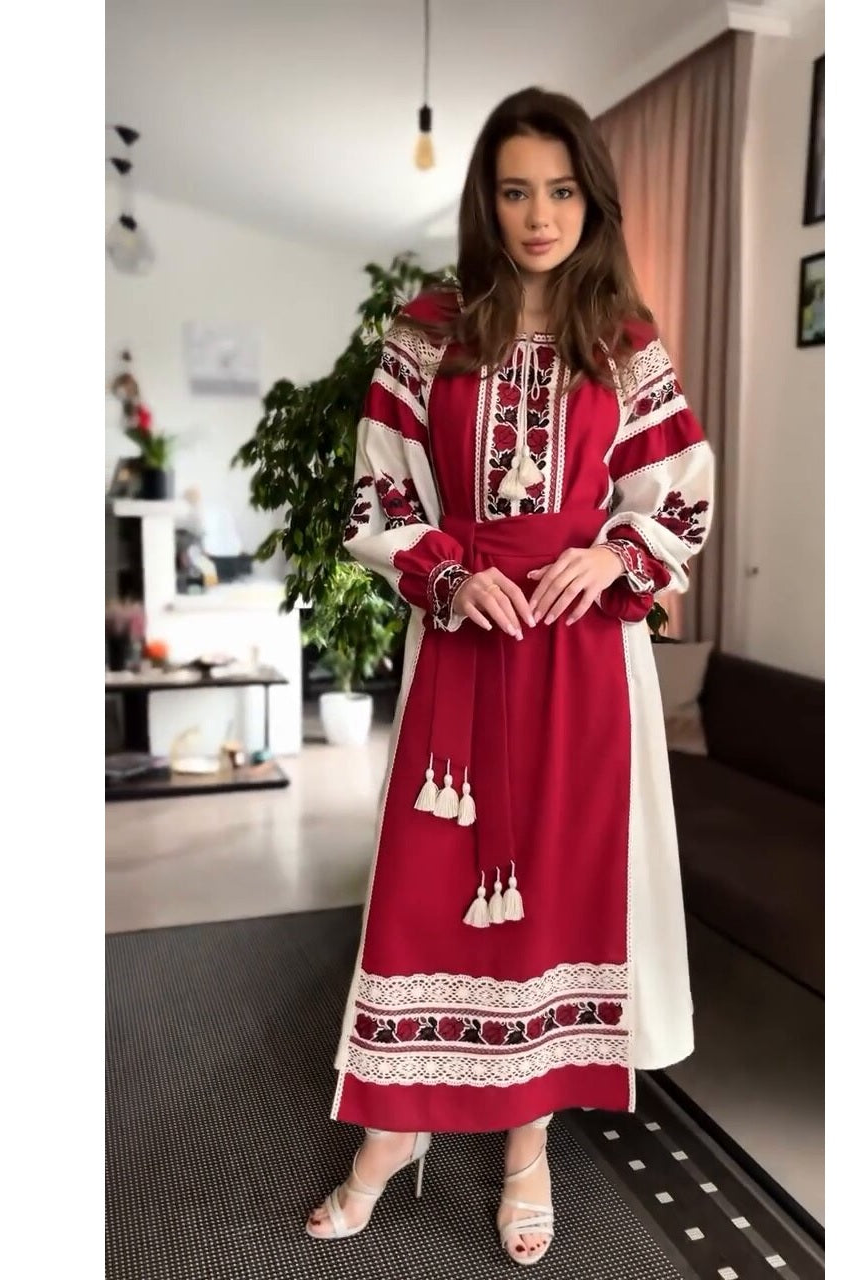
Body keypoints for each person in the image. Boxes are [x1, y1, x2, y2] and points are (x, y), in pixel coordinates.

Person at [306, 86, 715, 1267]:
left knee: (551, 899)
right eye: (515, 190)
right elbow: (378, 495)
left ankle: (525, 1147)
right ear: (486, 202)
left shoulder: (623, 341)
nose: (539, 215)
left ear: (592, 200)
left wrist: (612, 552)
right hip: (463, 640)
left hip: (582, 658)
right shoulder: (424, 331)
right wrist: (444, 572)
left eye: (561, 190)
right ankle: (392, 1131)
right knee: (426, 892)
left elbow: (678, 493)